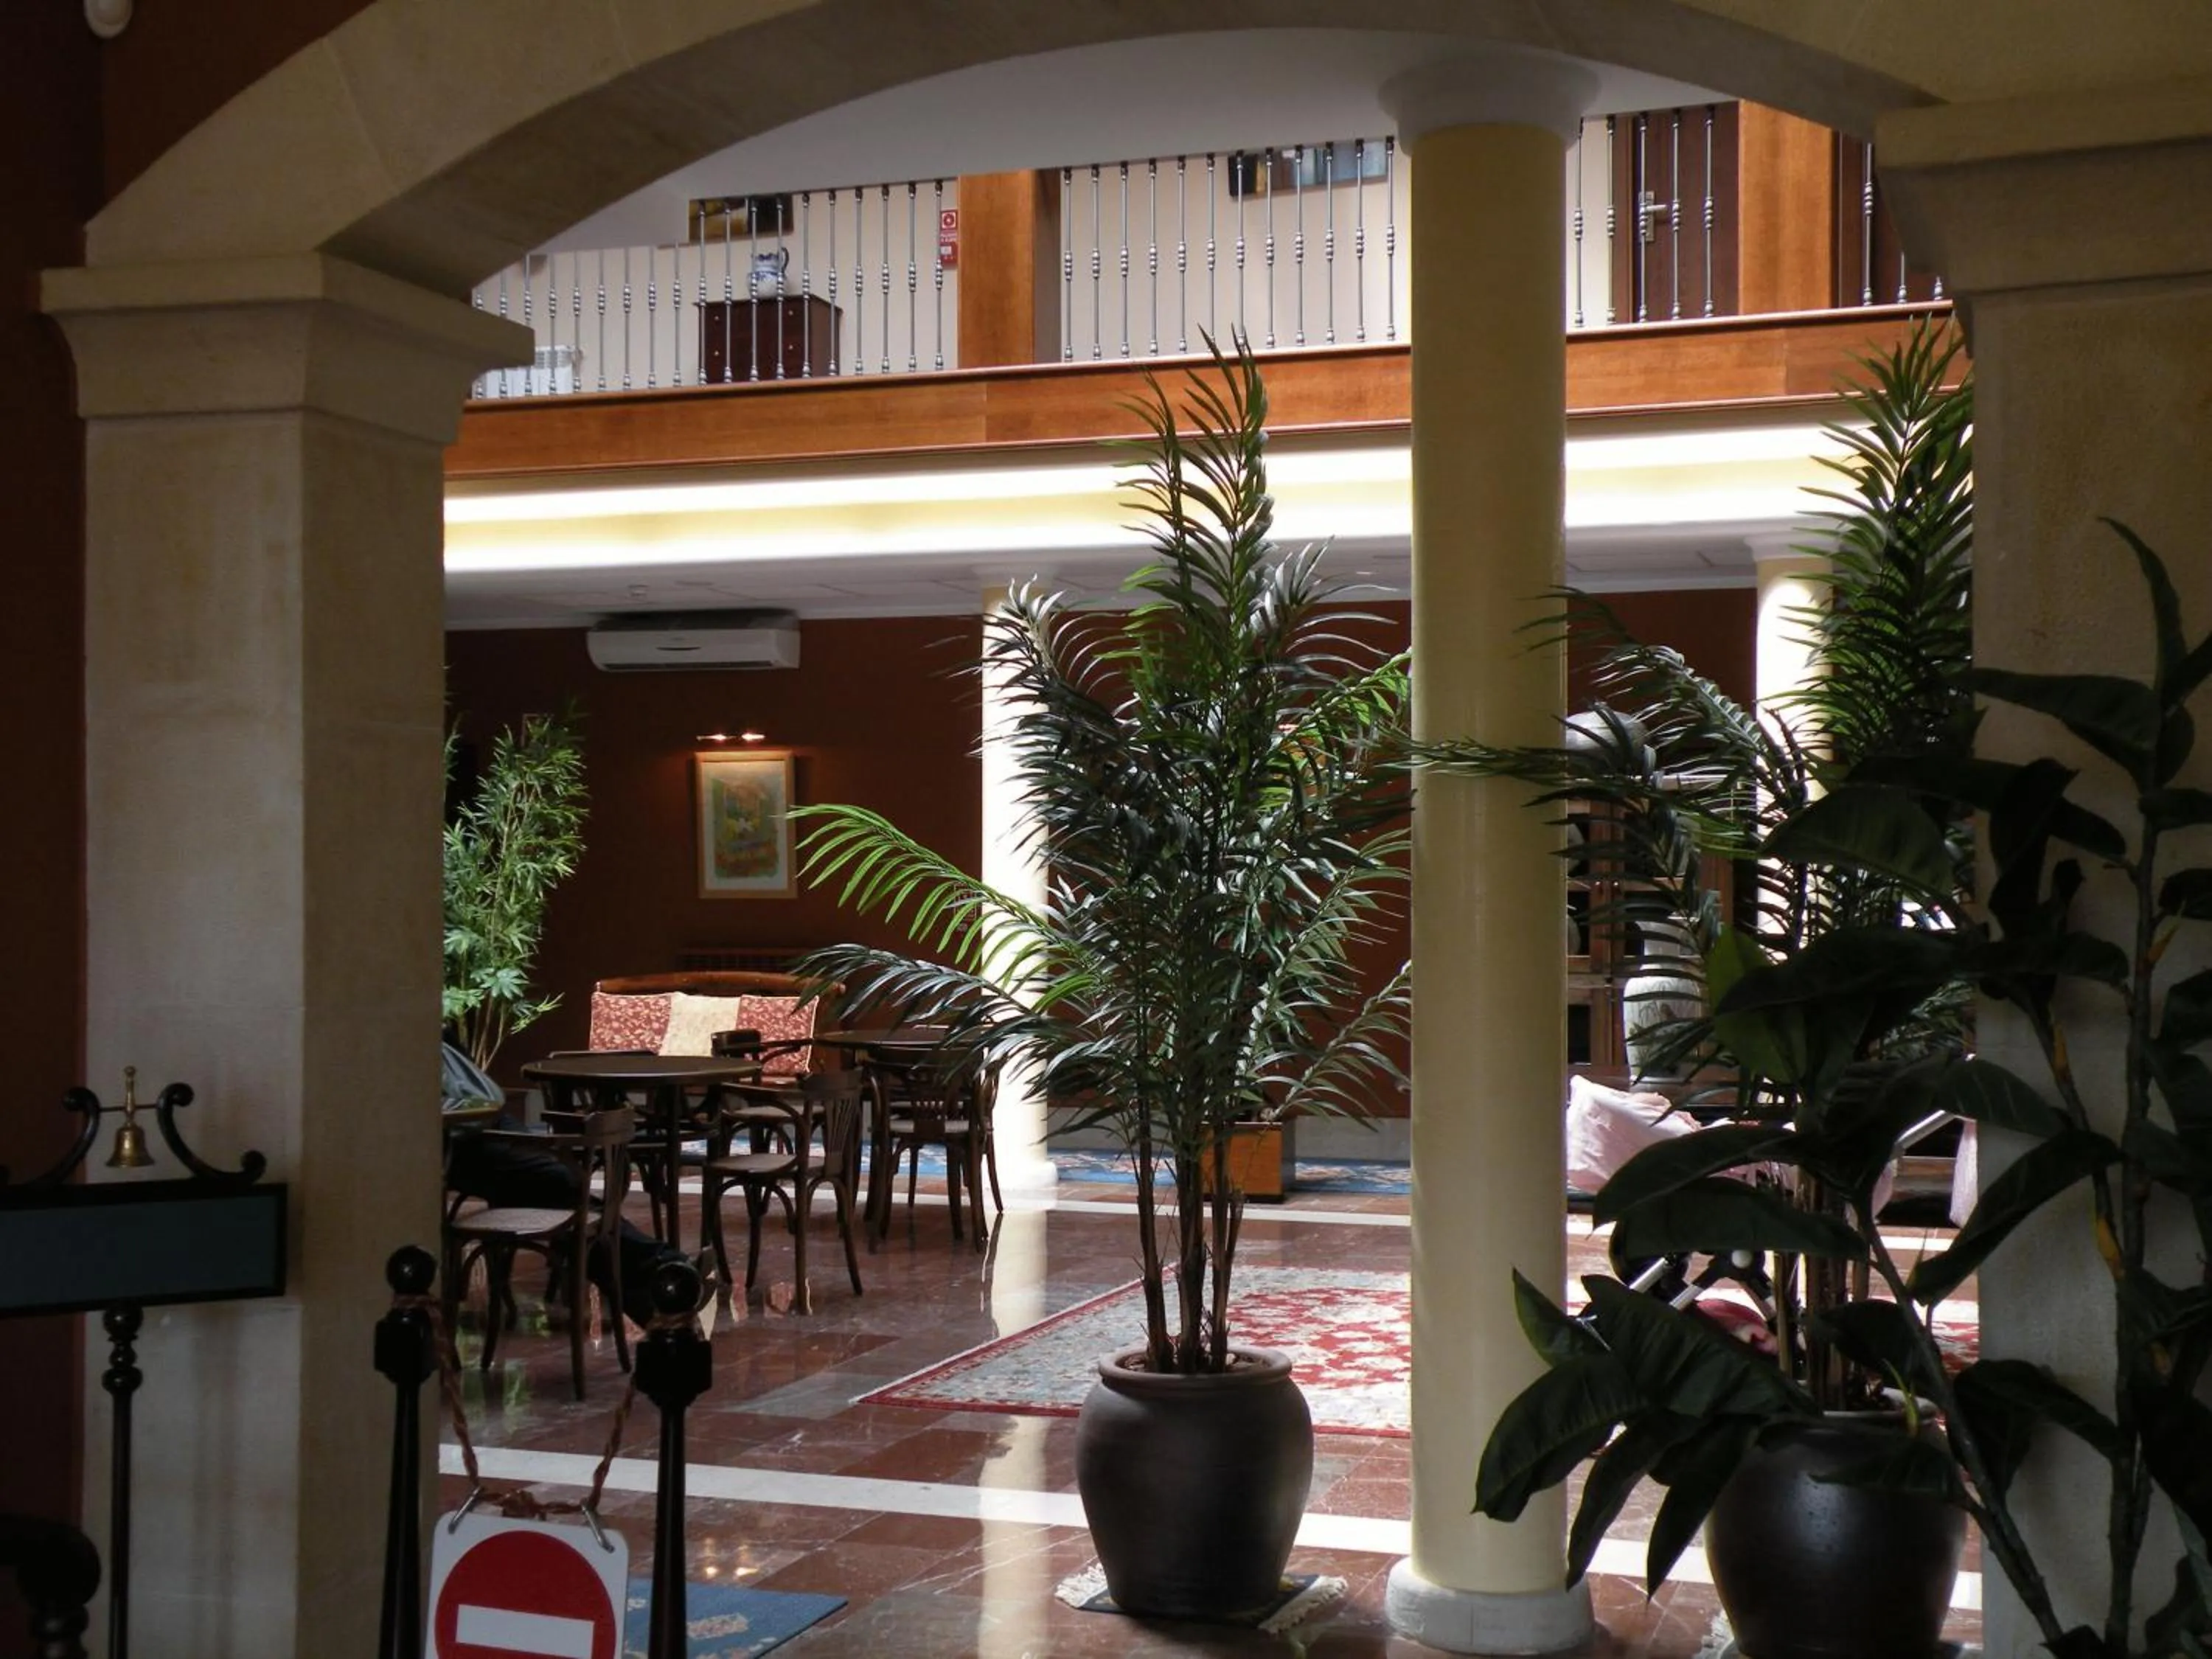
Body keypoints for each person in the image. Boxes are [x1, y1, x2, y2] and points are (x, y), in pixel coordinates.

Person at [440, 1040, 700, 1319]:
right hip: (460, 1141)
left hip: (487, 1123)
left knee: (566, 1198)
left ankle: (655, 1279)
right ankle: (660, 1272)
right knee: (562, 1190)